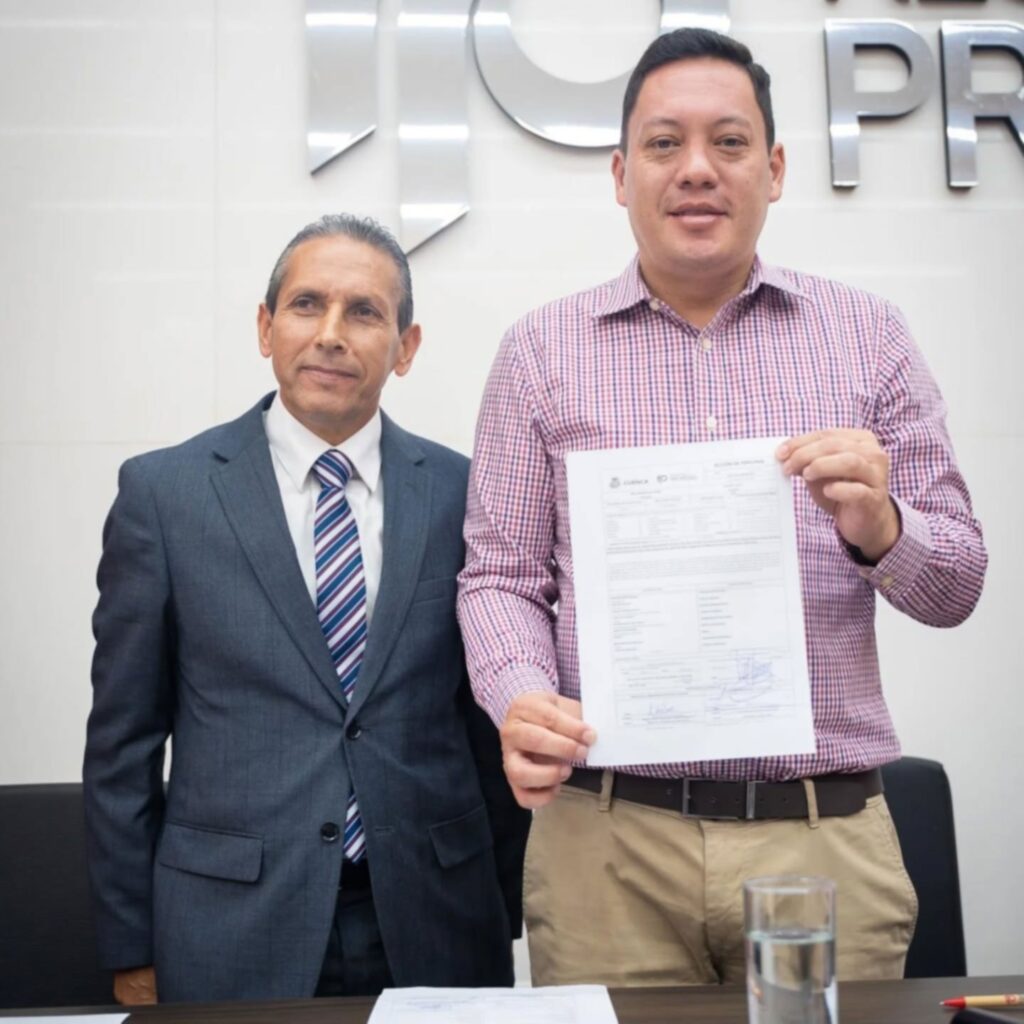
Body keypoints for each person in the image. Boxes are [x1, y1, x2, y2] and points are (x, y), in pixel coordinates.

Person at [457, 29, 986, 987]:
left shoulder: (870, 339)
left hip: (821, 842)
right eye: (664, 144)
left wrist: (883, 530)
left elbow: (957, 585)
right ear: (620, 175)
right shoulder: (539, 352)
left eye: (729, 142)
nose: (696, 169)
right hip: (605, 847)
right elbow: (499, 576)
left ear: (775, 169)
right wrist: (519, 696)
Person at [84, 214, 529, 1004]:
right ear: (265, 326)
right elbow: (122, 742)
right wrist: (131, 940)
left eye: (364, 312)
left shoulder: (464, 493)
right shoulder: (166, 495)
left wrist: (499, 900)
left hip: (436, 919)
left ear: (406, 346)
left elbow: (486, 720)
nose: (331, 334)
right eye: (306, 304)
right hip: (229, 925)